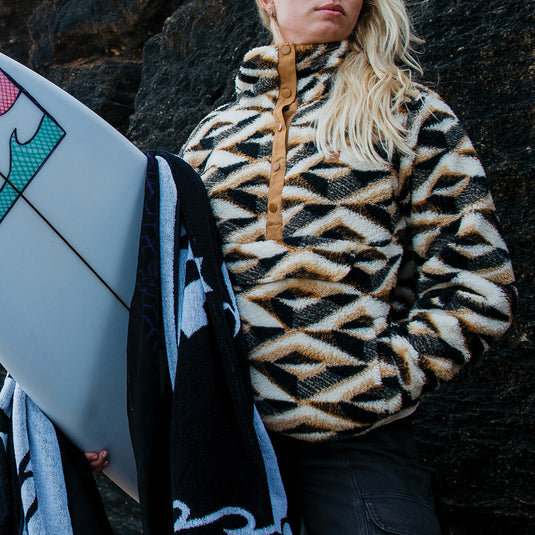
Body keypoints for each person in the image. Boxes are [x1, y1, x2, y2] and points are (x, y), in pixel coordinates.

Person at [90, 1, 516, 533]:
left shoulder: (408, 113)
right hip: (224, 450)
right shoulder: (212, 138)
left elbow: (479, 284)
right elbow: (162, 298)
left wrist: (373, 381)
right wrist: (105, 420)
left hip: (356, 452)